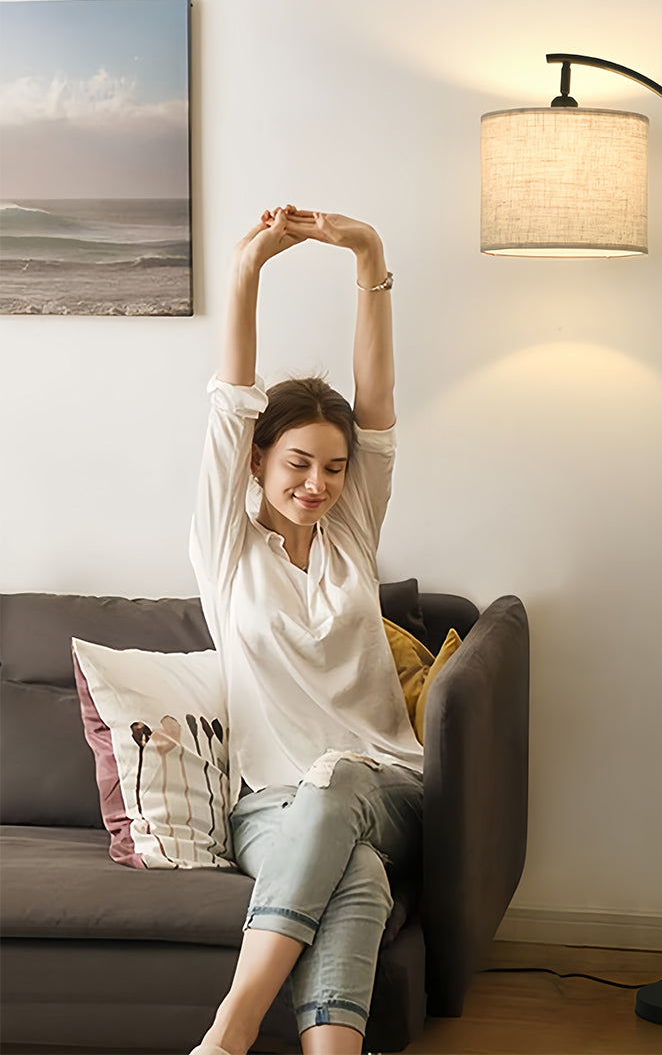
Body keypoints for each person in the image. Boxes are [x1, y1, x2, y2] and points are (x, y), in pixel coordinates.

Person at [188, 206, 424, 1055]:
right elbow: (231, 402)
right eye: (297, 464)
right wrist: (247, 271)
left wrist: (370, 253)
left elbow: (379, 406)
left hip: (385, 785)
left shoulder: (351, 535)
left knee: (342, 786)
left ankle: (230, 1026)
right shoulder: (224, 550)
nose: (318, 484)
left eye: (333, 468)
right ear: (258, 463)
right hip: (269, 804)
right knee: (354, 873)